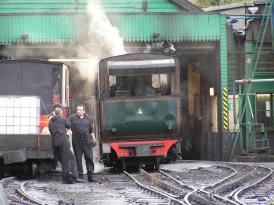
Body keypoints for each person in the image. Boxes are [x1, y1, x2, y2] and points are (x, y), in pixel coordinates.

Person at [49, 104, 84, 184]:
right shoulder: (62, 119)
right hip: (63, 142)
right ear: (60, 112)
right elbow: (69, 125)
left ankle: (75, 176)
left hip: (55, 142)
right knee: (66, 160)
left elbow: (51, 131)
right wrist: (67, 130)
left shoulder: (50, 121)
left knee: (71, 158)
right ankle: (66, 179)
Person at [68, 104, 96, 182]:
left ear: (84, 111)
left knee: (89, 158)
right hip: (77, 141)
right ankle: (80, 176)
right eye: (77, 110)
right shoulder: (72, 118)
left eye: (80, 110)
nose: (78, 111)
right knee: (78, 159)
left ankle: (90, 176)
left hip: (87, 141)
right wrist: (68, 131)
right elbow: (66, 125)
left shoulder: (88, 118)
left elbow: (91, 130)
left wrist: (94, 139)